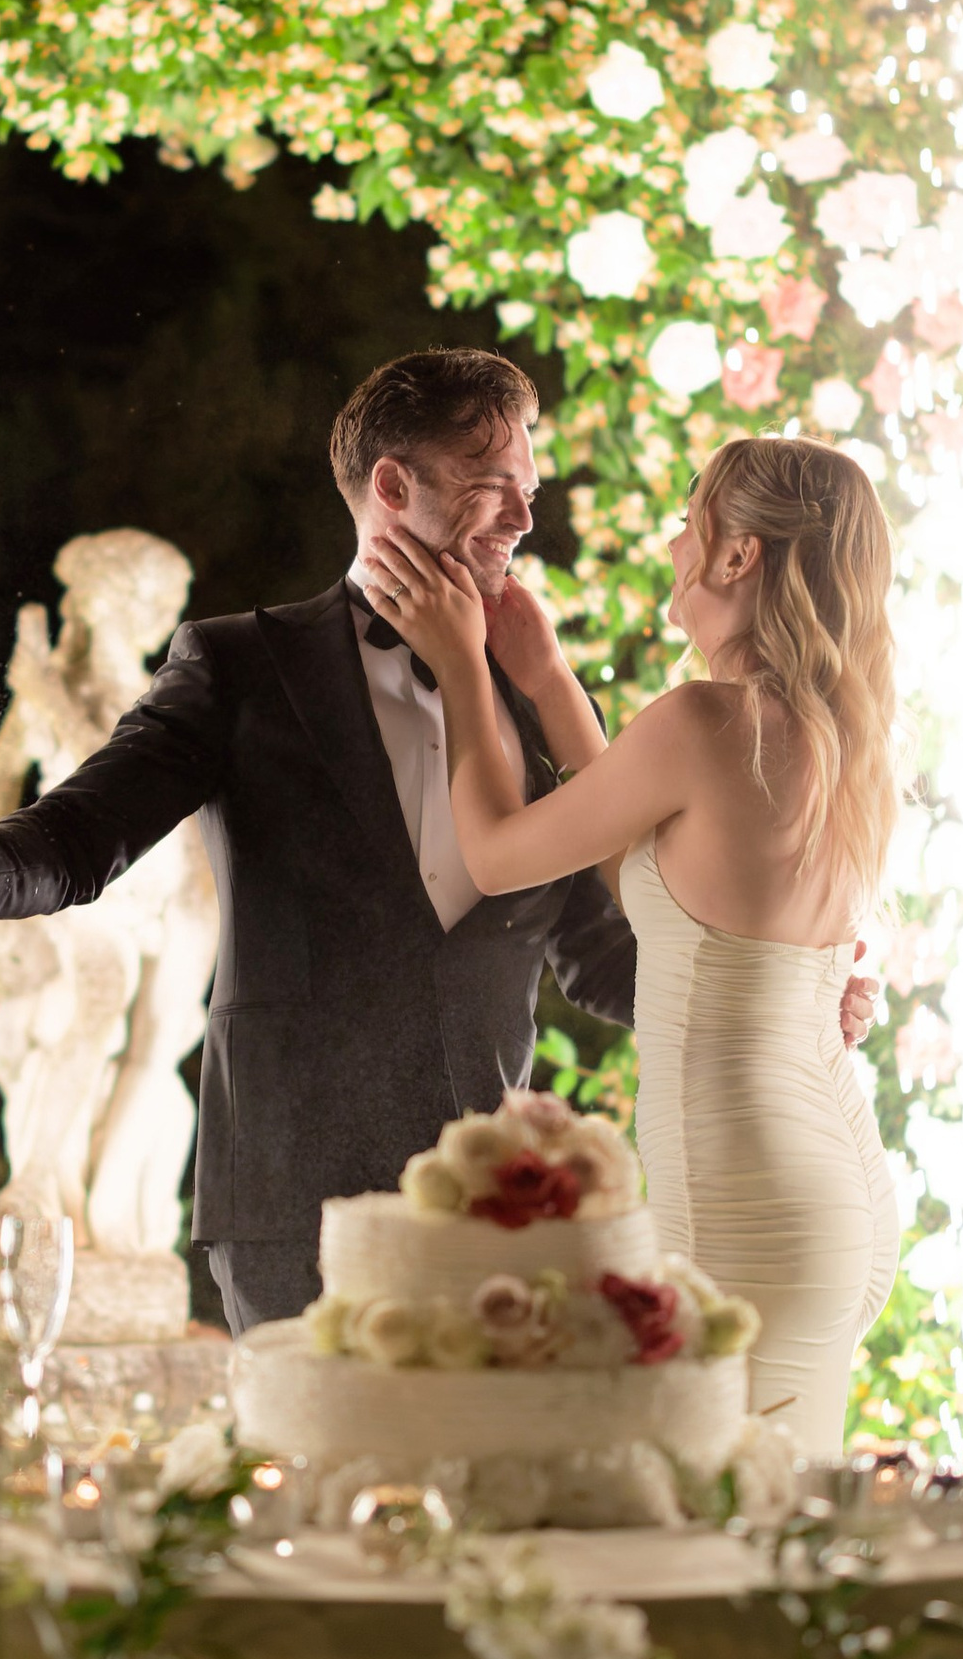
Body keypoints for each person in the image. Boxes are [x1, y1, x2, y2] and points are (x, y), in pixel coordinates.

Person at [0, 349, 641, 1335]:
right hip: (290, 1211)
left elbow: (601, 955)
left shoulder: (535, 687)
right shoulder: (240, 665)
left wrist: (775, 985)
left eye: (528, 491)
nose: (526, 519)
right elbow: (83, 832)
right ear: (393, 485)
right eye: (495, 489)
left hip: (492, 1217)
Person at [358, 430, 899, 1457]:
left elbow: (498, 851)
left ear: (739, 553)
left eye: (694, 513)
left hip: (747, 1197)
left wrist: (462, 666)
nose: (674, 539)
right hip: (836, 1187)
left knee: (707, 1529)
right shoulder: (833, 737)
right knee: (769, 1522)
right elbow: (656, 883)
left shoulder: (704, 717)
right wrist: (549, 677)